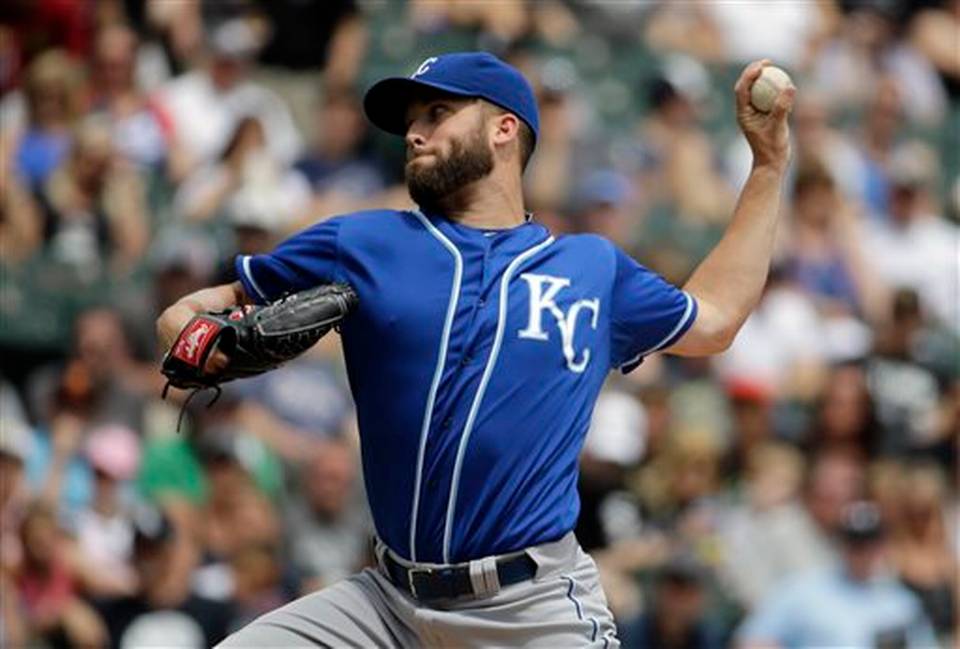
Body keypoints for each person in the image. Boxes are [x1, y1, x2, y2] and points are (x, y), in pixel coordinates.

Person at [157, 51, 795, 647]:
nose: (414, 133)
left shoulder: (589, 268)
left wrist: (767, 168)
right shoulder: (363, 242)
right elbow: (189, 312)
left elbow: (714, 320)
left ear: (504, 129)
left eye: (437, 114)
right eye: (410, 122)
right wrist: (196, 338)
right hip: (384, 605)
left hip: (532, 610)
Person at [736, 501, 938, 648]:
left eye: (871, 543)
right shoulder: (802, 590)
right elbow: (753, 639)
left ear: (883, 546)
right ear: (840, 543)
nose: (864, 552)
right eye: (856, 544)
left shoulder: (900, 603)